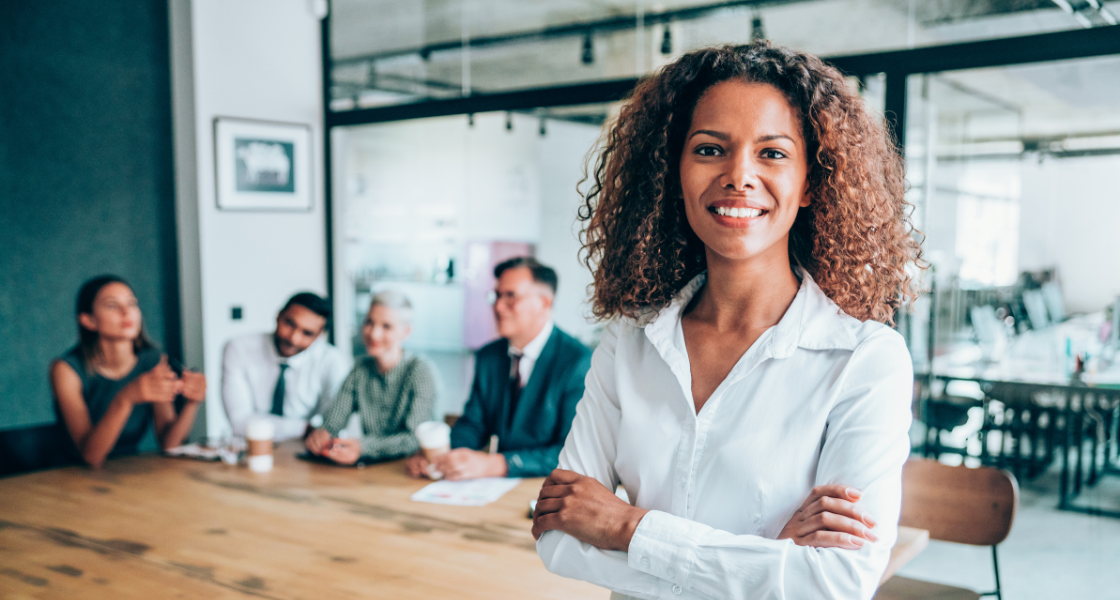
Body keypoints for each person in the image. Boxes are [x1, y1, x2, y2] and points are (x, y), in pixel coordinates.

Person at [532, 42, 923, 600]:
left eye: (773, 154)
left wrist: (624, 527)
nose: (739, 176)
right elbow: (558, 539)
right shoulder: (629, 340)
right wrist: (768, 564)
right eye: (710, 149)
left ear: (812, 181)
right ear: (676, 172)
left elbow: (837, 582)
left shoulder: (865, 360)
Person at [405, 257, 592, 480]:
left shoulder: (578, 362)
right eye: (497, 296)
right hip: (495, 491)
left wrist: (496, 464)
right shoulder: (489, 356)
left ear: (544, 303)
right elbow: (474, 424)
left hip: (550, 489)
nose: (498, 306)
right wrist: (438, 457)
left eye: (510, 297)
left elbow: (572, 452)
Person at [50, 275, 206, 469]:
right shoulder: (65, 369)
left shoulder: (153, 360)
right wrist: (126, 398)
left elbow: (169, 444)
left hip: (128, 470)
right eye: (112, 305)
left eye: (132, 304)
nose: (126, 312)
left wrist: (192, 402)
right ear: (89, 320)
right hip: (69, 475)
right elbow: (91, 457)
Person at [306, 291, 439, 465]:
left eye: (386, 326)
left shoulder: (421, 371)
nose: (374, 334)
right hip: (370, 471)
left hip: (411, 469)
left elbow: (415, 439)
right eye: (369, 322)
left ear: (405, 332)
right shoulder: (360, 370)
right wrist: (323, 434)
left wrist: (363, 447)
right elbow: (334, 421)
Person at [222, 292, 351, 442]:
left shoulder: (332, 361)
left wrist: (319, 432)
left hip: (306, 452)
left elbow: (333, 425)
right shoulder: (239, 348)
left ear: (319, 336)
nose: (293, 338)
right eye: (290, 324)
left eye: (307, 333)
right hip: (251, 447)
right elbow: (239, 422)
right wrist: (305, 428)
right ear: (278, 316)